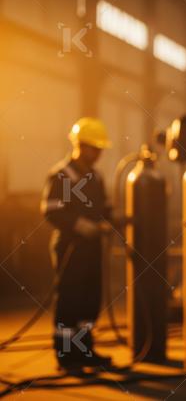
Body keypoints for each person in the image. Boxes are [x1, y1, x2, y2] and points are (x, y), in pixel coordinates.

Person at [41, 117, 114, 371]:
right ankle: (65, 354)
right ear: (80, 145)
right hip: (70, 246)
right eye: (95, 148)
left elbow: (103, 208)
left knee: (89, 300)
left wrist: (115, 219)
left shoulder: (95, 176)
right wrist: (79, 225)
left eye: (100, 148)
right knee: (69, 300)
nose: (99, 153)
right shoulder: (61, 175)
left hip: (91, 248)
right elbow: (50, 210)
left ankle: (84, 350)